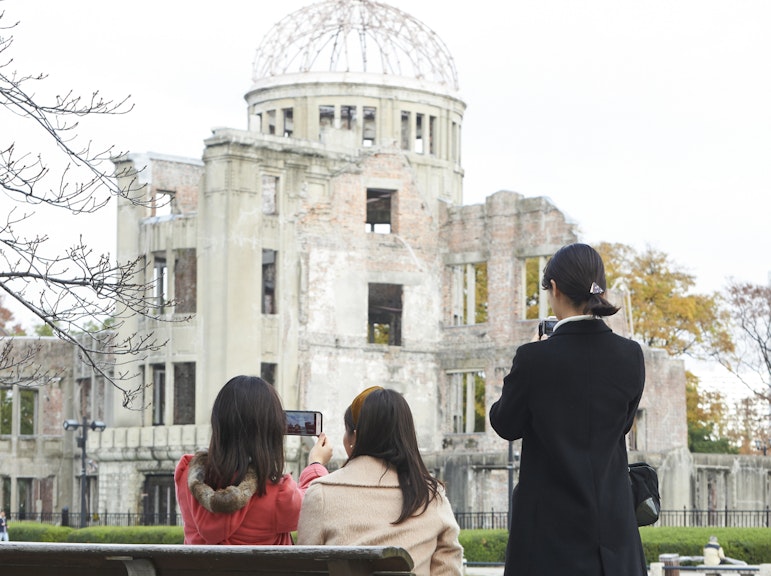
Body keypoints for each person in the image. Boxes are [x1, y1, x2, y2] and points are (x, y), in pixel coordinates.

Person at [489, 243, 647, 576]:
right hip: (613, 541)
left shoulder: (534, 360)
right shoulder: (631, 356)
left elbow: (505, 423)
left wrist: (527, 362)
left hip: (546, 543)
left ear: (555, 289)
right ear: (599, 290)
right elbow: (623, 426)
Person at [297, 387, 463, 576]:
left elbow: (305, 567)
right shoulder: (431, 496)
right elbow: (448, 568)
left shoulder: (321, 493)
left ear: (356, 436)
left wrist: (315, 464)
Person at [174, 375, 332, 545]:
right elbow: (315, 504)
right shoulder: (277, 493)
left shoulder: (186, 476)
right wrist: (316, 464)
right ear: (271, 431)